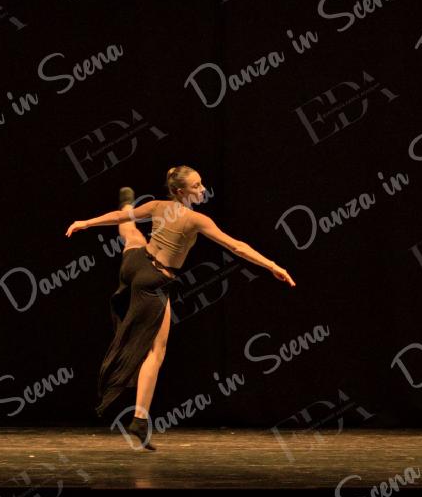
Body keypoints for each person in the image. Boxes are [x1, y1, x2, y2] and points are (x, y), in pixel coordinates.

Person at [65, 165, 296, 450]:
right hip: (153, 280)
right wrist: (272, 265)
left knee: (132, 233)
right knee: (156, 351)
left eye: (201, 184)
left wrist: (86, 222)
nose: (203, 189)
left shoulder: (158, 206)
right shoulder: (196, 220)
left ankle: (126, 199)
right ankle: (139, 419)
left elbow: (120, 218)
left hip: (134, 264)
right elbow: (236, 247)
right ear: (179, 191)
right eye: (196, 186)